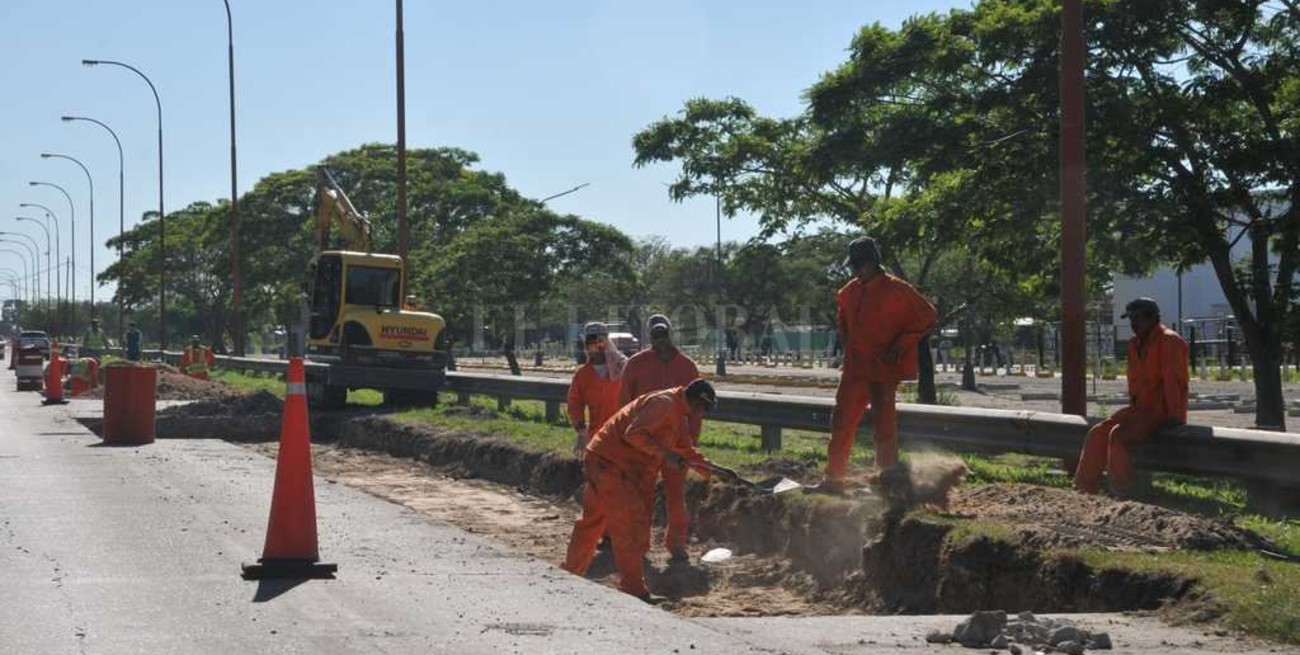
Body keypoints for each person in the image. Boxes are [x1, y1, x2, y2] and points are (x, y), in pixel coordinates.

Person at [561, 379, 737, 600]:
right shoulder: (664, 404)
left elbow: (685, 451)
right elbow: (634, 434)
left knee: (592, 521)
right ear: (697, 403)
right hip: (611, 464)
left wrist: (716, 471)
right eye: (704, 409)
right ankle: (633, 588)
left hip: (604, 460)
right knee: (628, 525)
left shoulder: (678, 412)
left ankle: (570, 574)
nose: (702, 415)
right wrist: (666, 454)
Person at [807, 236, 937, 495]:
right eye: (852, 266)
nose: (855, 271)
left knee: (884, 428)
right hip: (855, 371)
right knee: (841, 422)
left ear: (873, 262)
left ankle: (885, 484)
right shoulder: (847, 293)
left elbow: (928, 315)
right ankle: (833, 480)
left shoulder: (898, 290)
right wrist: (848, 351)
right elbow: (843, 325)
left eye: (859, 265)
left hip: (883, 371)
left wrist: (903, 343)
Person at [1074, 298, 1188, 496]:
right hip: (1140, 410)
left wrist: (1174, 417)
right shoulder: (1134, 344)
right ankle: (1084, 488)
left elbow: (1174, 382)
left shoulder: (1169, 341)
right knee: (1098, 432)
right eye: (1131, 319)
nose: (1133, 324)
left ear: (1152, 317)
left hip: (1161, 412)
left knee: (1119, 435)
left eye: (1137, 318)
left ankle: (1123, 490)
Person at [618, 314, 701, 563]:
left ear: (671, 334)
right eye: (655, 335)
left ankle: (677, 545)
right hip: (643, 444)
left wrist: (691, 441)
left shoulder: (687, 366)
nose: (660, 340)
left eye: (664, 334)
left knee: (676, 496)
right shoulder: (635, 364)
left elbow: (696, 408)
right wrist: (626, 442)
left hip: (677, 442)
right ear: (649, 336)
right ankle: (639, 545)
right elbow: (623, 405)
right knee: (642, 496)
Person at [567, 322, 629, 453]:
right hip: (597, 440)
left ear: (607, 343)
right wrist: (581, 431)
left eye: (600, 341)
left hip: (624, 437)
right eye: (592, 343)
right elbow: (574, 404)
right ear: (586, 345)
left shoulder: (624, 368)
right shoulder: (582, 375)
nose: (597, 347)